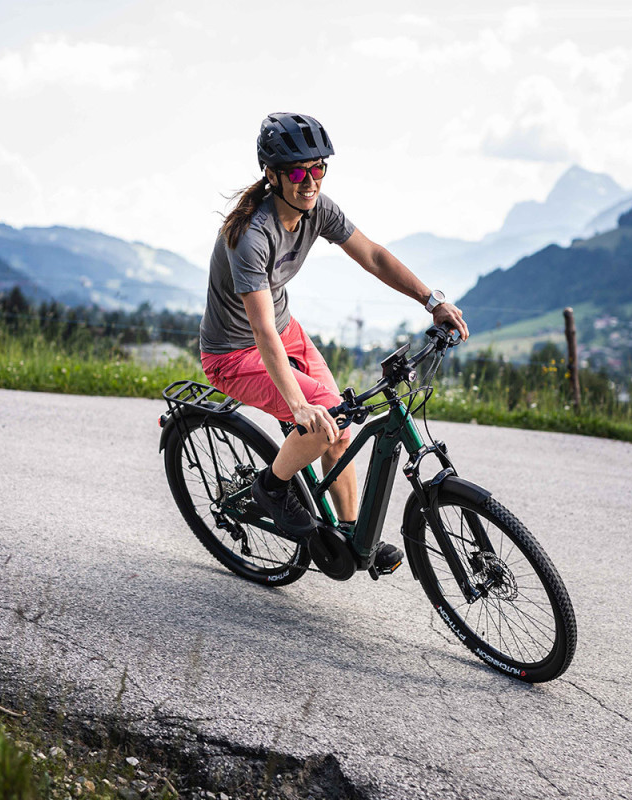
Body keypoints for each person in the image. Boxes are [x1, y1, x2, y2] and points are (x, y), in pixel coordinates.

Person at [199, 112, 468, 571]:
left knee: (339, 426)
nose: (310, 181)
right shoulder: (250, 237)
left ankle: (350, 537)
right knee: (321, 418)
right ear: (272, 174)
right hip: (233, 353)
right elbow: (261, 332)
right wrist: (298, 405)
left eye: (319, 168)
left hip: (287, 333)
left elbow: (375, 256)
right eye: (299, 172)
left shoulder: (317, 209)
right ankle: (273, 486)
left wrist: (432, 300)